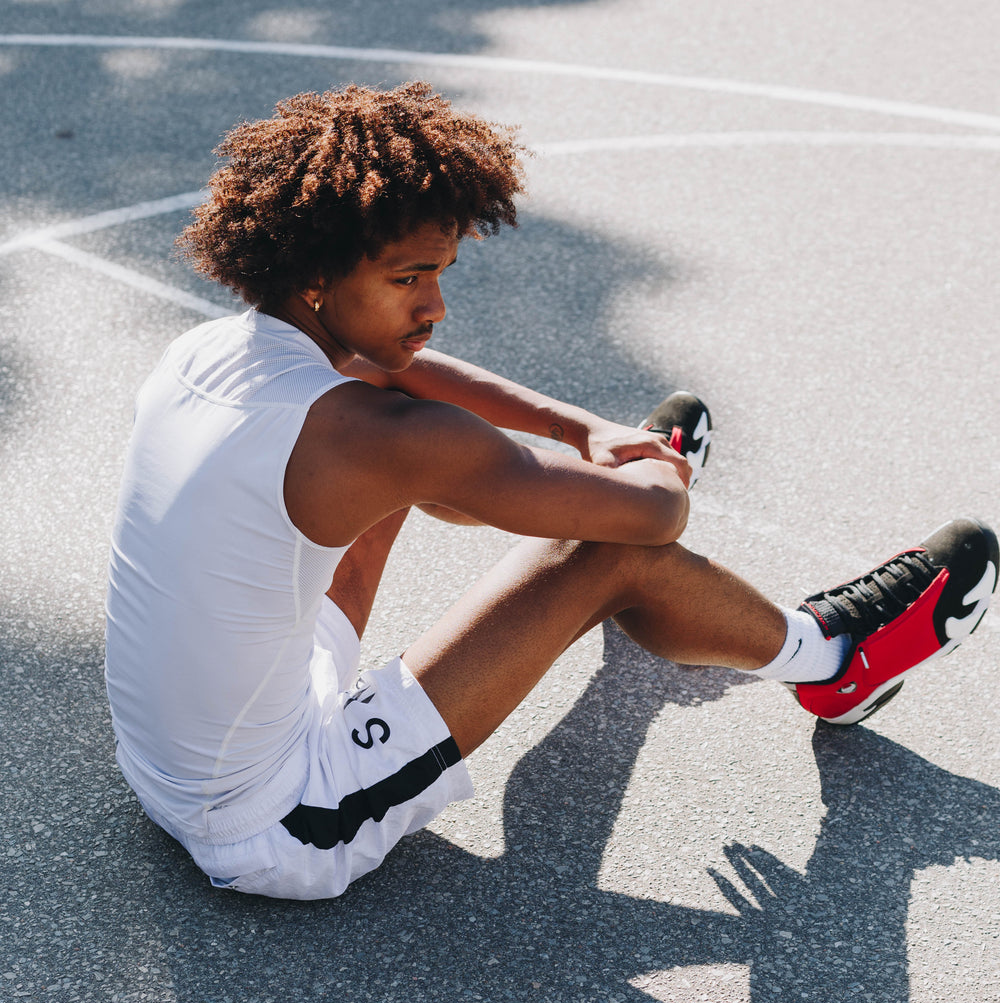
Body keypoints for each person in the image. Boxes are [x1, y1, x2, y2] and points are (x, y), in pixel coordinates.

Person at [105, 83, 998, 901]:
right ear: (316, 277)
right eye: (409, 278)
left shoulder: (208, 352)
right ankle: (834, 662)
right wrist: (651, 473)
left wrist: (583, 433)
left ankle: (581, 511)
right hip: (278, 820)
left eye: (441, 273)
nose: (435, 305)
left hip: (172, 762)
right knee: (610, 548)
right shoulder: (373, 440)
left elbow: (390, 370)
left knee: (423, 449)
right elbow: (661, 513)